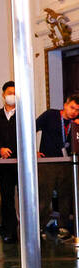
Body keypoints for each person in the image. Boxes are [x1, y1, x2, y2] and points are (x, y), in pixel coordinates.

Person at [36, 93, 79, 236]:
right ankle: (40, 226)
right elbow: (31, 127)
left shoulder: (75, 123)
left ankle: (64, 227)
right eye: (72, 107)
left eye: (77, 110)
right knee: (44, 196)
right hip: (47, 162)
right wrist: (33, 150)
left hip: (66, 163)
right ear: (65, 104)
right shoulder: (50, 115)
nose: (74, 112)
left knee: (66, 195)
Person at [0, 81, 18, 243]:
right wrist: (0, 149)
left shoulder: (23, 115)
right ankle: (8, 230)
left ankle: (25, 229)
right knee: (7, 197)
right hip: (3, 164)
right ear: (3, 95)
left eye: (15, 93)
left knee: (24, 198)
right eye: (9, 92)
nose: (12, 95)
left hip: (21, 164)